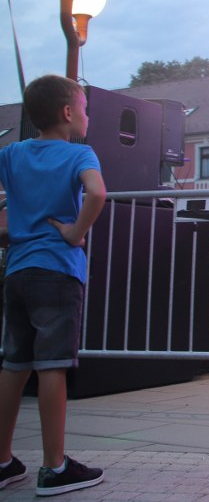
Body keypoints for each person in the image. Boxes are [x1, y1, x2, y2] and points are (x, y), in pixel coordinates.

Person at [0, 74, 107, 496]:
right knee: (52, 366)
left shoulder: (12, 153)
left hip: (17, 270)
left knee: (14, 364)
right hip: (57, 271)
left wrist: (9, 231)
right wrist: (76, 233)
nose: (87, 116)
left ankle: (3, 461)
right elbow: (96, 194)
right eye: (84, 108)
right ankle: (55, 466)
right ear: (67, 113)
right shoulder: (80, 154)